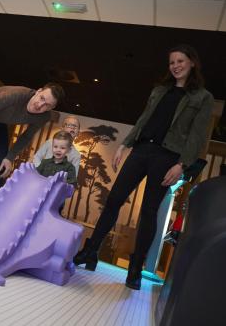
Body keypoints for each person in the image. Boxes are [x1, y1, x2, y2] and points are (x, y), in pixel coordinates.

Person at [73, 44, 214, 291]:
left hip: (167, 156)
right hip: (141, 150)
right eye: (172, 63)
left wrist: (181, 165)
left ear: (192, 62)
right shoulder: (160, 90)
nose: (176, 66)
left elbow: (197, 136)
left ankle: (135, 268)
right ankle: (91, 252)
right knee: (114, 199)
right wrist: (124, 145)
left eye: (180, 61)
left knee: (148, 211)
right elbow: (143, 119)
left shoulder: (202, 97)